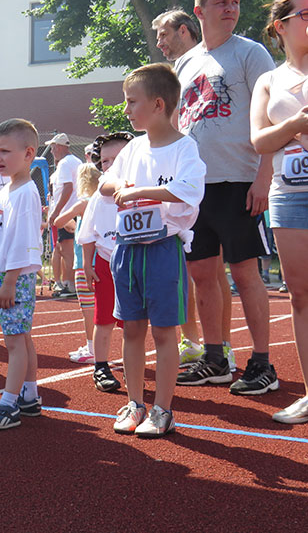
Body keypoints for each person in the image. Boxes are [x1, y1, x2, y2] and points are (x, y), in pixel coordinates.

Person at [175, 0, 278, 395]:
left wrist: (263, 177)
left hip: (239, 181)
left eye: (235, 2)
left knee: (245, 273)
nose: (231, 8)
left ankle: (262, 363)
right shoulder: (185, 63)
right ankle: (215, 358)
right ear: (199, 12)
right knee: (201, 273)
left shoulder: (251, 53)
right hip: (197, 187)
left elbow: (272, 117)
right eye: (221, 2)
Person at [101, 63, 206, 437]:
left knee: (163, 332)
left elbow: (190, 190)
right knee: (131, 329)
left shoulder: (184, 148)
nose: (126, 110)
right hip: (128, 249)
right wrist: (116, 184)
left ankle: (163, 409)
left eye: (132, 102)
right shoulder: (132, 148)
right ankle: (134, 403)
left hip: (164, 250)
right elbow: (106, 180)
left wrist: (140, 192)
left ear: (158, 104)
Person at [152, 6, 236, 372]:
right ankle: (192, 341)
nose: (159, 43)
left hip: (219, 176)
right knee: (191, 268)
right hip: (183, 179)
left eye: (164, 35)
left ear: (184, 30)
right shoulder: (178, 70)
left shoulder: (214, 59)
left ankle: (224, 346)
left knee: (214, 269)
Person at [250, 0, 308, 421]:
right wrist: (296, 124)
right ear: (281, 26)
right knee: (301, 296)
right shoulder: (269, 80)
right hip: (289, 196)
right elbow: (259, 140)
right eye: (306, 14)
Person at [0, 118, 43, 429]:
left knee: (14, 342)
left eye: (5, 151)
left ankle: (8, 404)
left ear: (28, 153)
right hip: (3, 273)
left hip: (14, 276)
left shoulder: (26, 193)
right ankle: (29, 395)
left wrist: (11, 281)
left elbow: (22, 241)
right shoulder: (6, 190)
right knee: (21, 337)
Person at [76, 132, 132, 392]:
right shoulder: (99, 197)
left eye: (117, 159)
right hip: (106, 264)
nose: (110, 165)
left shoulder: (141, 190)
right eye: (106, 161)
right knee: (104, 319)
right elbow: (87, 235)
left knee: (133, 321)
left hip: (134, 262)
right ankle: (101, 366)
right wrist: (87, 265)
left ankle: (134, 365)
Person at [55, 163, 100, 364]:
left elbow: (58, 221)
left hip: (84, 264)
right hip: (103, 260)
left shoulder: (82, 204)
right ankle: (98, 347)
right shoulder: (103, 201)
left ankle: (92, 347)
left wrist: (72, 223)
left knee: (88, 309)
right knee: (104, 307)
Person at [46, 133, 82, 297]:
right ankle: (68, 283)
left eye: (53, 148)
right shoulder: (75, 162)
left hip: (68, 212)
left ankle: (70, 285)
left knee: (67, 250)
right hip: (72, 211)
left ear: (60, 147)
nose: (52, 151)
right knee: (63, 248)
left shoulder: (65, 164)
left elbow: (67, 188)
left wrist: (57, 211)